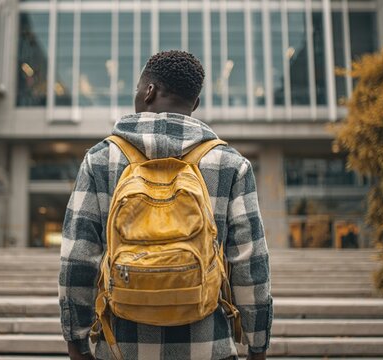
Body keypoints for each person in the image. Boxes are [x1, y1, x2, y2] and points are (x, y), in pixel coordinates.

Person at [59, 50, 273, 360]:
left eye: (137, 88)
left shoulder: (101, 160)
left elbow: (76, 259)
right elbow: (251, 264)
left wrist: (76, 341)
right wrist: (257, 345)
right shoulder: (230, 164)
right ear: (194, 105)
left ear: (149, 91)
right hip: (208, 346)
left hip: (120, 346)